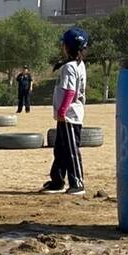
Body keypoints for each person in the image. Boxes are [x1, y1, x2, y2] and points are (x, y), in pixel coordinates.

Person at [41, 28, 89, 197]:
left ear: (68, 46)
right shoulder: (77, 64)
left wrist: (62, 110)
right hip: (68, 114)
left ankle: (77, 183)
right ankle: (57, 181)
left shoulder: (69, 67)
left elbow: (70, 91)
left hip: (70, 114)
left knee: (70, 150)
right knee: (60, 150)